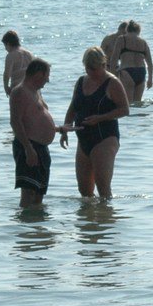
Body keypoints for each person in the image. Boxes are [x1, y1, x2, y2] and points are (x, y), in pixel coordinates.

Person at [61, 46, 129, 199]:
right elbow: (73, 107)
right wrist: (65, 129)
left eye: (94, 68)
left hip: (105, 138)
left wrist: (100, 118)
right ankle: (89, 221)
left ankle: (106, 219)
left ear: (103, 65)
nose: (91, 72)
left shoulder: (112, 83)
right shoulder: (80, 81)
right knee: (84, 191)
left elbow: (124, 110)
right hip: (83, 139)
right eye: (87, 68)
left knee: (103, 189)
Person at [8, 57, 60, 209]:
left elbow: (35, 120)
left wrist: (59, 129)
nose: (48, 80)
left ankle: (36, 229)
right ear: (38, 74)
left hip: (41, 148)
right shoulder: (20, 92)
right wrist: (28, 149)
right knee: (28, 194)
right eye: (46, 75)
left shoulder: (36, 92)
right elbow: (16, 122)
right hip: (29, 147)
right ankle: (26, 229)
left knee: (39, 194)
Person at [116, 20, 153, 103]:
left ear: (127, 30)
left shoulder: (122, 39)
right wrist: (150, 79)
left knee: (128, 103)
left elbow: (113, 60)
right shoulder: (143, 42)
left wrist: (112, 77)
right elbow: (150, 63)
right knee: (138, 103)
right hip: (141, 72)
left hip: (127, 72)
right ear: (138, 31)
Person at [0, 30, 33, 95]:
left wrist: (6, 88)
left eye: (5, 46)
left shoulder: (11, 55)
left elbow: (7, 75)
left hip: (18, 89)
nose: (5, 49)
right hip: (31, 88)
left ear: (8, 44)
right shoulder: (29, 54)